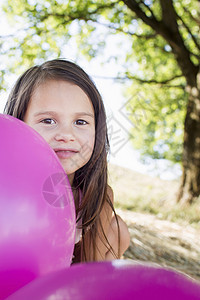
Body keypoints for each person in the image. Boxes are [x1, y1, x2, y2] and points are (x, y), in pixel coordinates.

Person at [4, 59, 130, 263]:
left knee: (119, 230)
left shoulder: (96, 197)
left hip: (59, 281)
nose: (66, 135)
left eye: (80, 122)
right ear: (19, 122)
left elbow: (90, 270)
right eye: (48, 120)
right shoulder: (7, 188)